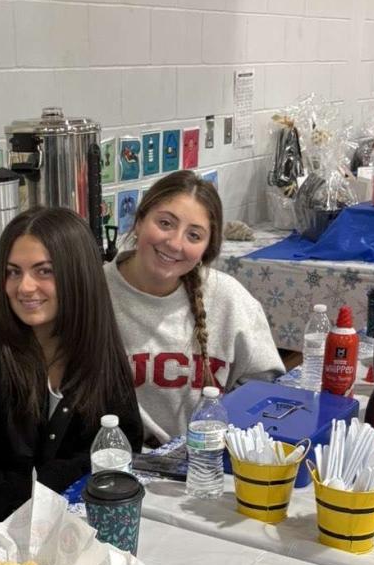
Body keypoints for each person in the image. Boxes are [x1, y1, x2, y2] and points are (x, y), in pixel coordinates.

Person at [0, 207, 143, 543]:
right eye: (13, 272)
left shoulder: (96, 341)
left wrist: (49, 482)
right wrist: (57, 479)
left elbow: (124, 442)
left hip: (73, 530)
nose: (24, 287)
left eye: (44, 271)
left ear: (78, 275)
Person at [104, 170, 283, 444]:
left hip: (208, 458)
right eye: (165, 223)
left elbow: (266, 388)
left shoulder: (229, 297)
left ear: (206, 249)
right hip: (115, 461)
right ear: (139, 221)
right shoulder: (93, 293)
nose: (175, 243)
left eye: (194, 235)